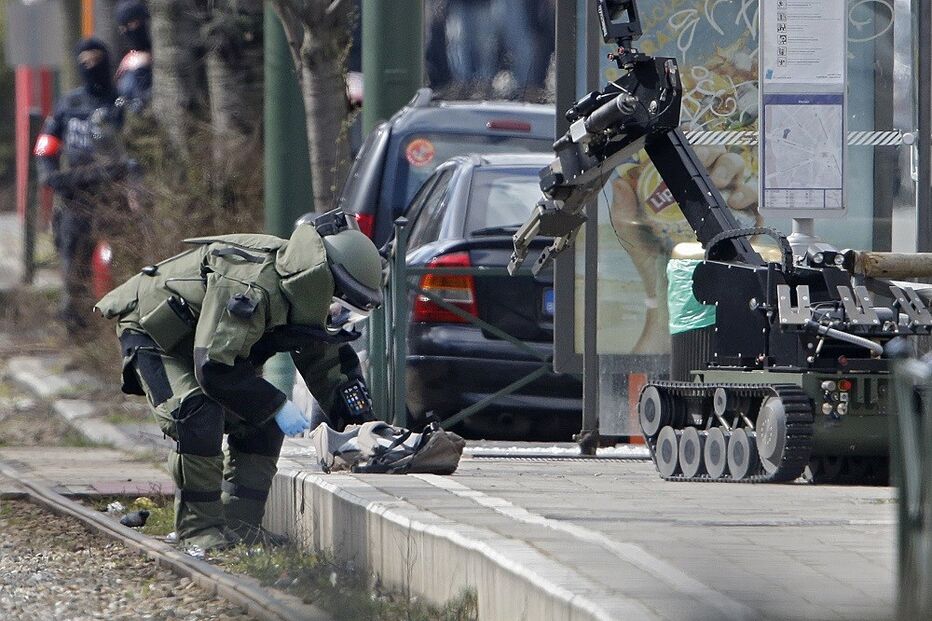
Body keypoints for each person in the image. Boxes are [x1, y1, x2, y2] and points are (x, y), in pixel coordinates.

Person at [94, 211, 384, 554]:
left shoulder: (302, 295)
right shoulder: (253, 287)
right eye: (340, 306)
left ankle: (240, 528)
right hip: (155, 335)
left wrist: (367, 436)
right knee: (196, 414)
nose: (338, 317)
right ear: (324, 284)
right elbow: (215, 369)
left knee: (262, 423)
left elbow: (329, 370)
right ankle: (199, 531)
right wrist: (275, 404)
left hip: (205, 346)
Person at [34, 38, 136, 331]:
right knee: (72, 262)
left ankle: (118, 325)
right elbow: (46, 145)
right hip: (75, 198)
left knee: (117, 262)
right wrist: (48, 173)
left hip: (112, 198)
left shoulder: (120, 103)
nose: (91, 68)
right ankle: (76, 328)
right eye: (85, 63)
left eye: (97, 61)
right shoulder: (69, 104)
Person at [114, 0, 153, 113]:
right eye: (123, 27)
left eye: (133, 24)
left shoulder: (162, 57)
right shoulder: (128, 61)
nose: (127, 30)